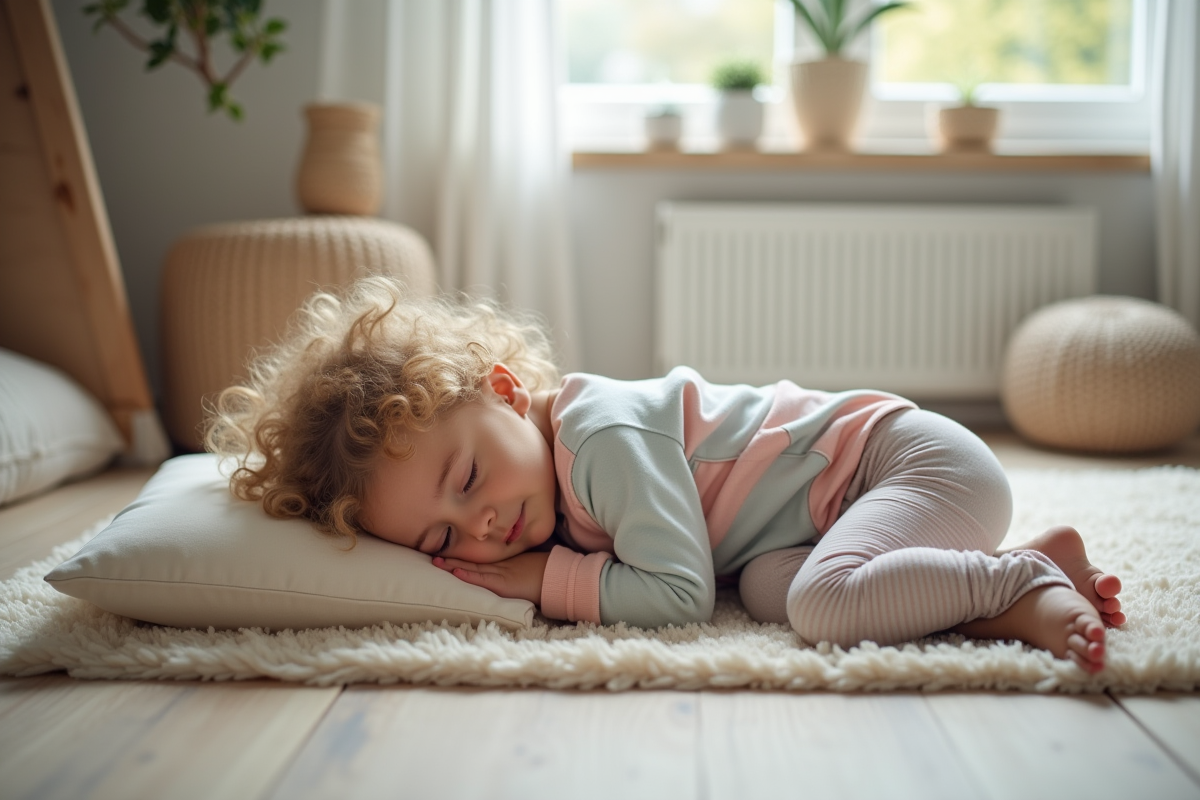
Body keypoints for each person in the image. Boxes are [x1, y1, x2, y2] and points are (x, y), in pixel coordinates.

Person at [207, 276, 1125, 673]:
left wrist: (551, 582)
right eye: (443, 537)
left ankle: (1023, 579)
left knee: (822, 607)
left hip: (908, 463)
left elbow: (681, 595)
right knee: (769, 588)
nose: (482, 525)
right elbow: (717, 581)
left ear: (501, 388)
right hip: (820, 518)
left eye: (470, 475)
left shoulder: (599, 435)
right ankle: (1026, 576)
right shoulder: (540, 476)